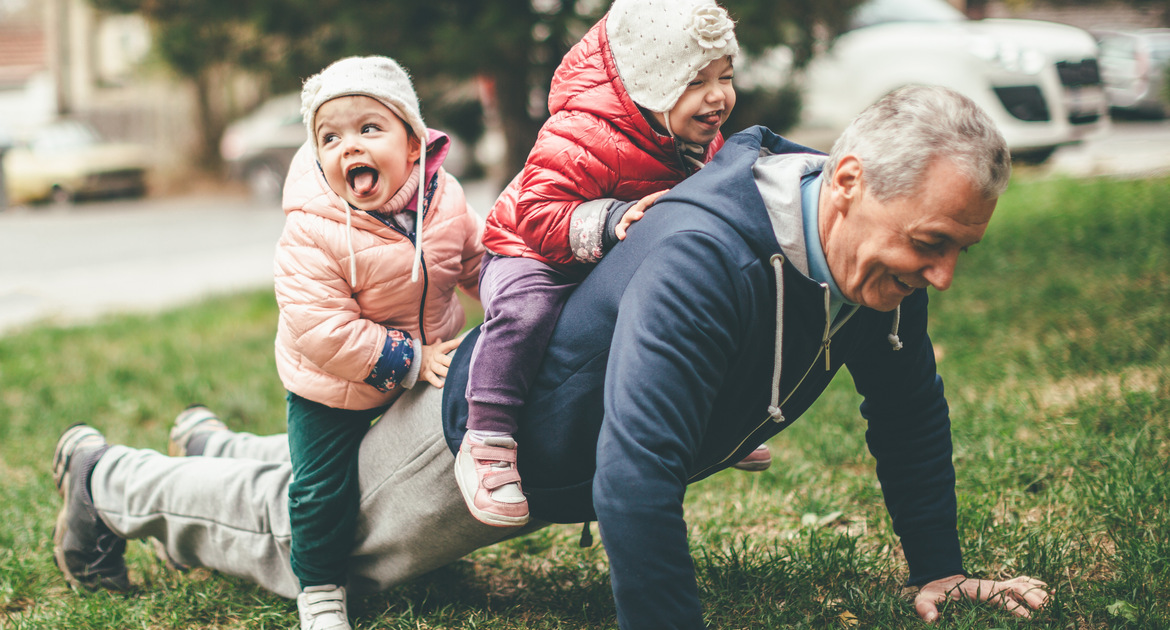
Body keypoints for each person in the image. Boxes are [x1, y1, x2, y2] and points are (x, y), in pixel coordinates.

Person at [50, 85, 1050, 629]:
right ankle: (110, 482)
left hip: (540, 449)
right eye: (932, 244)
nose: (945, 276)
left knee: (322, 487)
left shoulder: (868, 262)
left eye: (961, 248)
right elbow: (636, 476)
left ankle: (219, 447)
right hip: (478, 443)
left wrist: (940, 569)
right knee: (311, 548)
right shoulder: (713, 253)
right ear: (849, 182)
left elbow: (909, 408)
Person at [458, 0, 768, 528]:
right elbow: (536, 212)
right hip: (530, 248)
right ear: (650, 83)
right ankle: (486, 436)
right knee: (527, 312)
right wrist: (609, 222)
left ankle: (716, 415)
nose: (718, 95)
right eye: (696, 81)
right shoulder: (579, 132)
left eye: (726, 75)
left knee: (697, 306)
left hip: (612, 254)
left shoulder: (695, 138)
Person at [272, 55, 483, 630]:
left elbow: (474, 262)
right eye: (330, 136)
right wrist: (412, 360)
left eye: (370, 128)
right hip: (331, 383)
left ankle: (419, 543)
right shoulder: (312, 229)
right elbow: (320, 329)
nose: (350, 146)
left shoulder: (445, 199)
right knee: (320, 489)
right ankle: (318, 588)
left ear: (414, 144)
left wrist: (513, 295)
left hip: (426, 357)